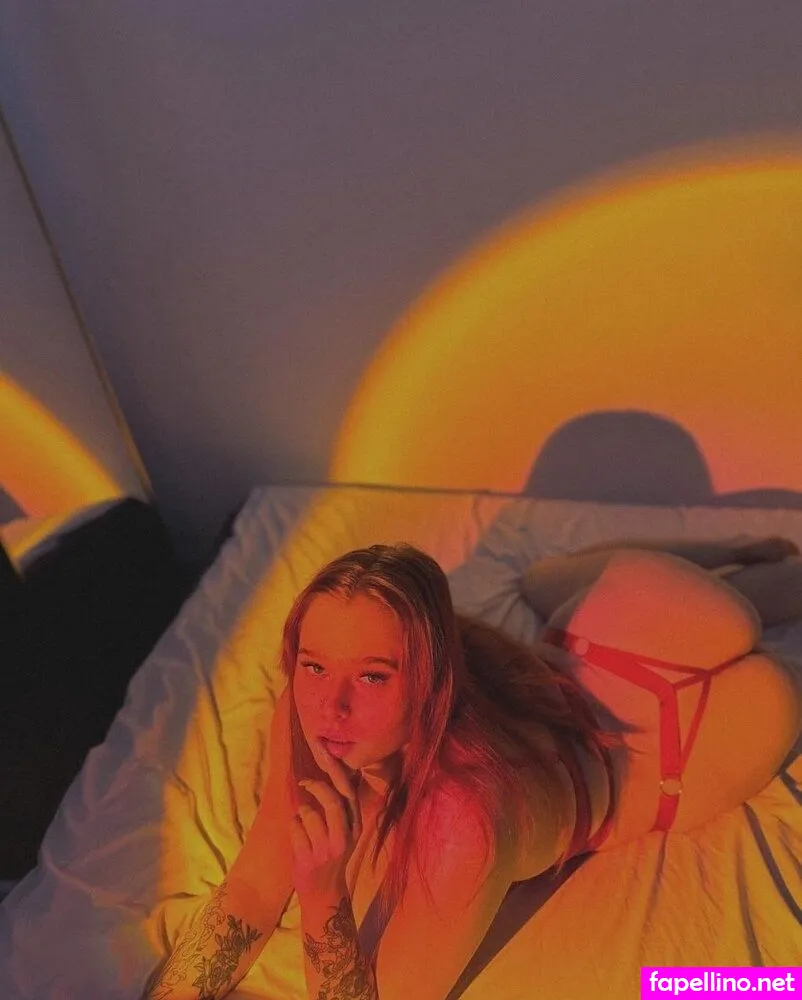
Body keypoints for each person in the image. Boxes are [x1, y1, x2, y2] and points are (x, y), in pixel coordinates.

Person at [140, 537, 801, 1000]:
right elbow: (252, 888)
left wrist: (322, 894)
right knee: (543, 579)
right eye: (314, 665)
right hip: (611, 626)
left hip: (683, 739)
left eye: (372, 676)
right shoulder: (308, 713)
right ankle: (740, 564)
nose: (330, 707)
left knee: (771, 673)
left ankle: (749, 575)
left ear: (432, 680)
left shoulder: (463, 819)